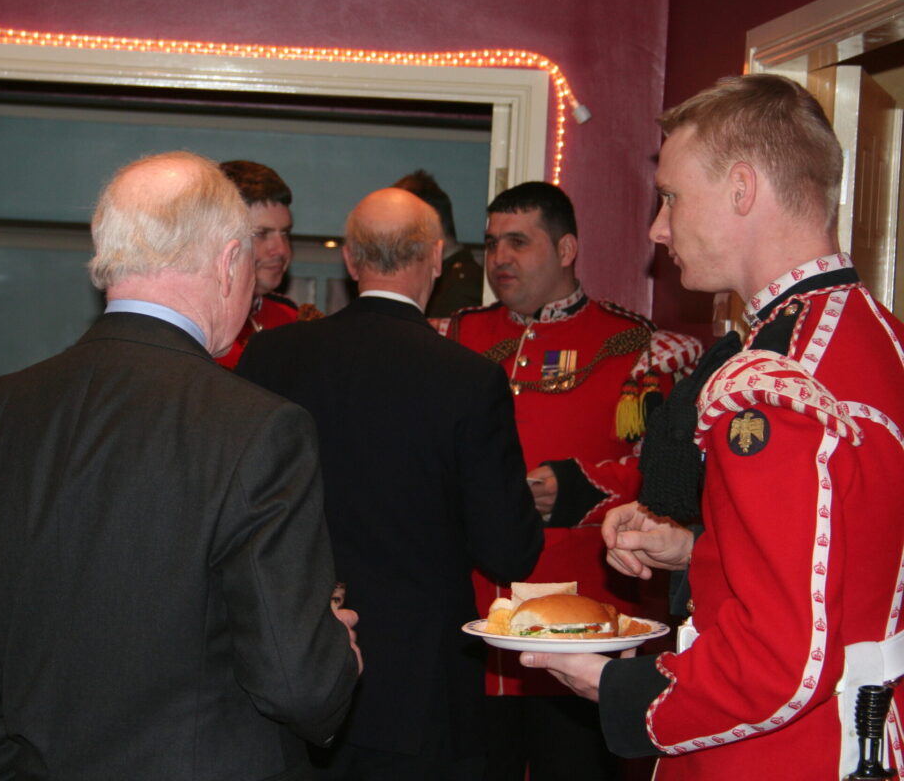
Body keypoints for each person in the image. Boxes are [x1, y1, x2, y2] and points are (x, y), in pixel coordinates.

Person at [0, 151, 361, 780]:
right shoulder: (259, 428)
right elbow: (297, 682)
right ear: (231, 261)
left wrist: (22, 755)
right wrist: (336, 653)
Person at [522, 74, 904, 779]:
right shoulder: (879, 337)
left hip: (777, 754)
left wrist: (619, 689)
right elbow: (843, 552)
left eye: (670, 197)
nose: (657, 229)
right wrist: (697, 549)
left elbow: (779, 662)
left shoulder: (774, 381)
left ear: (742, 188)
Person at [237, 187, 542, 779]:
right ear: (435, 257)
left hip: (292, 661)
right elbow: (509, 549)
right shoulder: (469, 377)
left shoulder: (272, 355)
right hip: (421, 686)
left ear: (351, 260)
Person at [437, 180, 699, 780]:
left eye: (519, 242)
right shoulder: (456, 336)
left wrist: (580, 487)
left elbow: (666, 476)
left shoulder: (637, 347)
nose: (499, 257)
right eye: (492, 242)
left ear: (566, 249)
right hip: (476, 621)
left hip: (584, 628)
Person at [216, 159, 317, 368]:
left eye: (285, 233)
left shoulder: (290, 318)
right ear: (220, 238)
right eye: (261, 234)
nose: (282, 250)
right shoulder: (195, 324)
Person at [391, 169, 483, 317]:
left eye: (403, 227)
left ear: (432, 222)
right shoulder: (447, 278)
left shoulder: (461, 287)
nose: (397, 241)